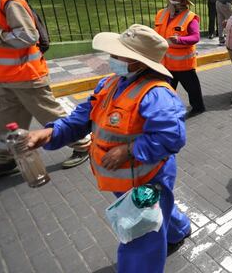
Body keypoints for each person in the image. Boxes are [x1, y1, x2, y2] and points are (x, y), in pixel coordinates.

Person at [27, 24, 191, 273]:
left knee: (140, 239)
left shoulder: (157, 95)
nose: (112, 58)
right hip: (123, 178)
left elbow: (173, 137)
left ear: (139, 62)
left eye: (119, 54)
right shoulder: (109, 83)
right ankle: (179, 228)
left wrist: (129, 150)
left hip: (147, 179)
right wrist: (51, 133)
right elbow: (83, 117)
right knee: (160, 211)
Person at [0, 0, 90, 175]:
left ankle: (83, 145)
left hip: (26, 75)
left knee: (49, 113)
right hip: (5, 77)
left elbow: (29, 35)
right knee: (4, 120)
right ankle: (5, 158)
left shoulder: (8, 0)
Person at [154, 0, 206, 118]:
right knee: (166, 89)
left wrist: (180, 40)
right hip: (165, 62)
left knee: (192, 89)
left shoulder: (190, 17)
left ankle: (198, 107)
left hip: (184, 64)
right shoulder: (161, 14)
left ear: (183, 0)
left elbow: (195, 37)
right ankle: (166, 110)